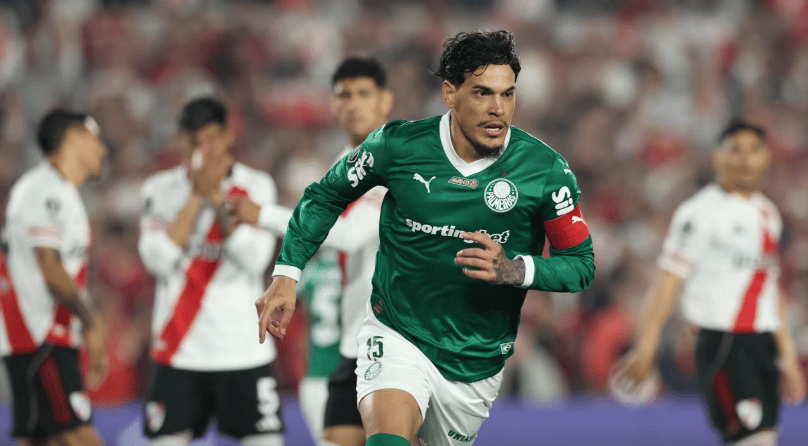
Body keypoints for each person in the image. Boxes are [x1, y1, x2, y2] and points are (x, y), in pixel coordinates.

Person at [255, 31, 595, 446]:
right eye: (483, 93)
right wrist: (287, 274)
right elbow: (325, 195)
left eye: (507, 95)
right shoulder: (397, 146)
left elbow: (580, 264)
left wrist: (512, 269)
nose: (497, 109)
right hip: (397, 332)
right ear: (449, 93)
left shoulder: (544, 171)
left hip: (475, 361)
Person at [229, 57, 393, 446]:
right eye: (344, 95)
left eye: (364, 94)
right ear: (333, 105)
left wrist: (263, 214)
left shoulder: (394, 161)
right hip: (352, 345)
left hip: (394, 340)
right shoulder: (344, 164)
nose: (353, 104)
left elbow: (351, 236)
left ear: (386, 100)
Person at [616, 121, 806, 446]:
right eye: (736, 150)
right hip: (723, 344)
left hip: (761, 346)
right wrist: (645, 348)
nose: (745, 160)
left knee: (760, 439)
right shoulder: (699, 213)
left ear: (766, 158)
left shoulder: (767, 214)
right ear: (718, 156)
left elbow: (768, 286)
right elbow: (666, 283)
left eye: (754, 151)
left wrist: (786, 355)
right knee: (754, 440)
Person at [137, 97, 283, 446]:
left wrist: (216, 198)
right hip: (179, 349)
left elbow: (255, 260)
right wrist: (195, 196)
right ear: (181, 141)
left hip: (244, 349)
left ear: (227, 137)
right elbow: (157, 260)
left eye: (212, 137)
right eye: (194, 140)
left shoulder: (256, 186)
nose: (204, 148)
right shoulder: (158, 189)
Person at [1, 108, 107, 446]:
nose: (102, 150)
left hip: (46, 335)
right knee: (79, 435)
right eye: (95, 138)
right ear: (73, 138)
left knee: (41, 438)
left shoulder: (62, 194)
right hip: (38, 335)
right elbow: (51, 269)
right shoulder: (41, 190)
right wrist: (91, 321)